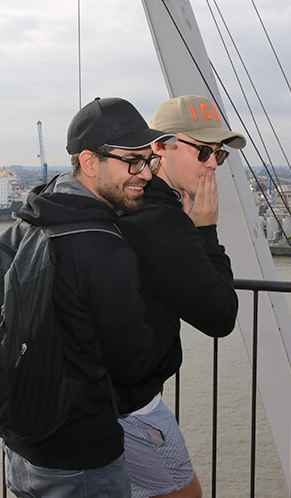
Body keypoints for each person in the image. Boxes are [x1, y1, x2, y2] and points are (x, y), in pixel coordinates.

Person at [3, 97, 181, 498]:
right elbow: (134, 364)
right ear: (88, 162)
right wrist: (167, 306)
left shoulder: (39, 217)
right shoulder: (105, 250)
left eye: (148, 160)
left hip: (24, 445)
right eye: (132, 161)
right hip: (79, 459)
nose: (146, 174)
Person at [114, 94, 246, 498]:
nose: (212, 164)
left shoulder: (130, 200)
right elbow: (221, 316)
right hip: (132, 402)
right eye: (203, 150)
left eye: (219, 156)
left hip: (99, 392)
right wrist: (205, 231)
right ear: (160, 147)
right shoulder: (165, 224)